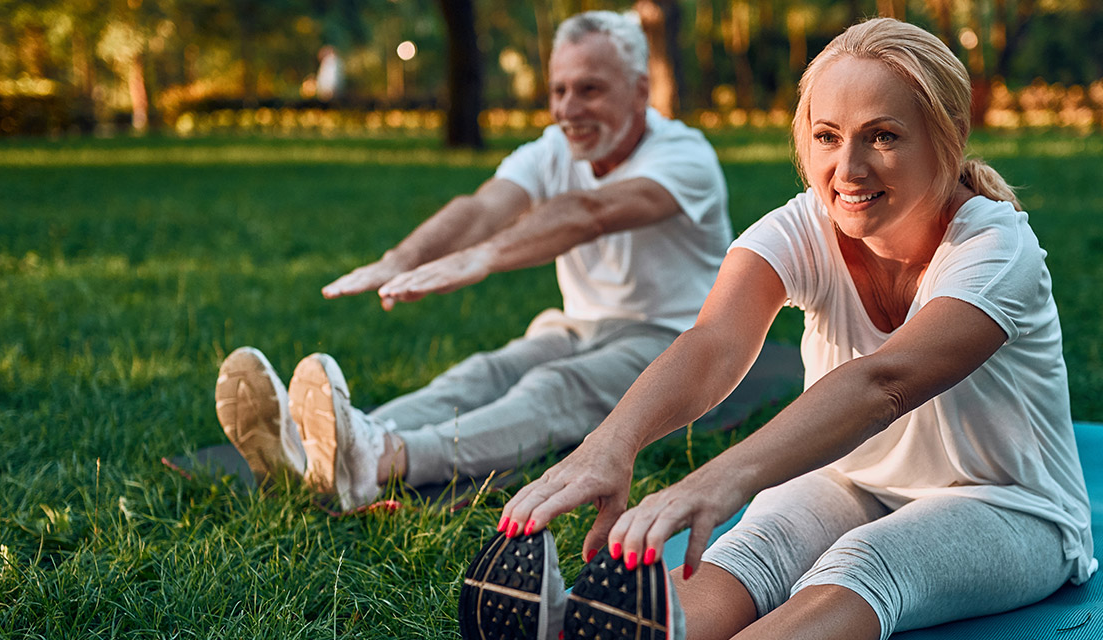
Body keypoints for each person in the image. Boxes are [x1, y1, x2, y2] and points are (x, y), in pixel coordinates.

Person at [485, 17, 1095, 640]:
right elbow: (715, 343)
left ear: (949, 136)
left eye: (882, 136)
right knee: (753, 548)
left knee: (863, 565)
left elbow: (882, 383)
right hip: (848, 478)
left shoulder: (996, 249)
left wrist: (719, 478)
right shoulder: (804, 225)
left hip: (1008, 506)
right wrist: (611, 445)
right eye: (827, 137)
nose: (848, 169)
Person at [215, 10, 731, 512]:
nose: (568, 109)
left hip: (675, 337)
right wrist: (399, 259)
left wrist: (484, 258)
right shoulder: (554, 148)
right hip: (579, 326)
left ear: (640, 91)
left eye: (590, 89)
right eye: (559, 91)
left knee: (556, 387)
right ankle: (315, 446)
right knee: (479, 374)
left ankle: (383, 460)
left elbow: (589, 213)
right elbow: (484, 207)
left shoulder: (685, 158)